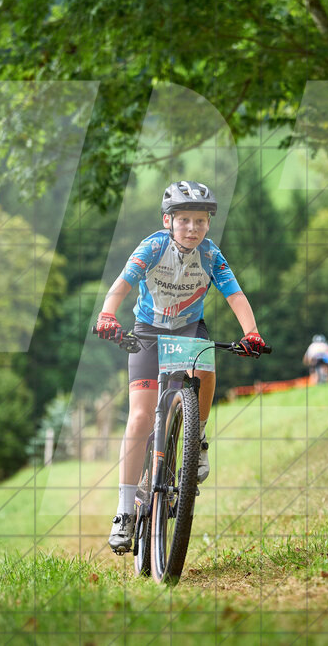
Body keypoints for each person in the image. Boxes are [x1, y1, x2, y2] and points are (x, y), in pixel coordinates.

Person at [95, 180, 267, 554]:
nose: (193, 228)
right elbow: (122, 285)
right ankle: (124, 513)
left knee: (206, 360)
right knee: (140, 417)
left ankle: (197, 438)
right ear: (168, 220)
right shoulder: (152, 247)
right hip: (148, 332)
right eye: (185, 220)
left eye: (201, 221)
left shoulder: (210, 254)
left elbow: (234, 294)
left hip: (189, 329)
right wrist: (108, 314)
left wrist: (251, 333)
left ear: (208, 224)